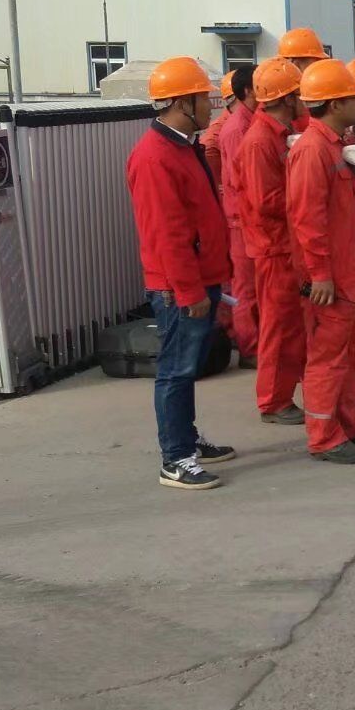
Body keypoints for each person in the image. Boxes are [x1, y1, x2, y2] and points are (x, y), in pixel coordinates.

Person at [124, 56, 235, 490]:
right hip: (178, 288)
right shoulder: (155, 157)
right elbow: (166, 234)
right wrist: (189, 290)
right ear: (181, 103)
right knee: (176, 370)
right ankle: (175, 458)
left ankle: (185, 439)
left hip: (196, 279)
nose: (210, 105)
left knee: (186, 368)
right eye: (203, 98)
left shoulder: (182, 147)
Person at [287, 59, 355, 463]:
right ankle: (323, 436)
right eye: (351, 98)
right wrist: (320, 274)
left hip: (352, 270)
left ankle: (348, 421)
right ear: (334, 104)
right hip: (334, 276)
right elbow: (307, 218)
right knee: (328, 358)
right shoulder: (313, 150)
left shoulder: (331, 145)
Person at [236, 57, 308, 425]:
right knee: (279, 328)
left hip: (285, 245)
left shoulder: (278, 134)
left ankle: (285, 394)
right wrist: (309, 197)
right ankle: (274, 401)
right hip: (274, 248)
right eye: (299, 94)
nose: (304, 100)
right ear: (286, 98)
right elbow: (266, 201)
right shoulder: (260, 141)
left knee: (292, 326)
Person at [216, 65, 259, 368]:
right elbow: (239, 178)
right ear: (247, 91)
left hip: (248, 217)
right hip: (241, 219)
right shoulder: (236, 129)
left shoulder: (248, 122)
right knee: (245, 288)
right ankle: (249, 347)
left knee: (253, 286)